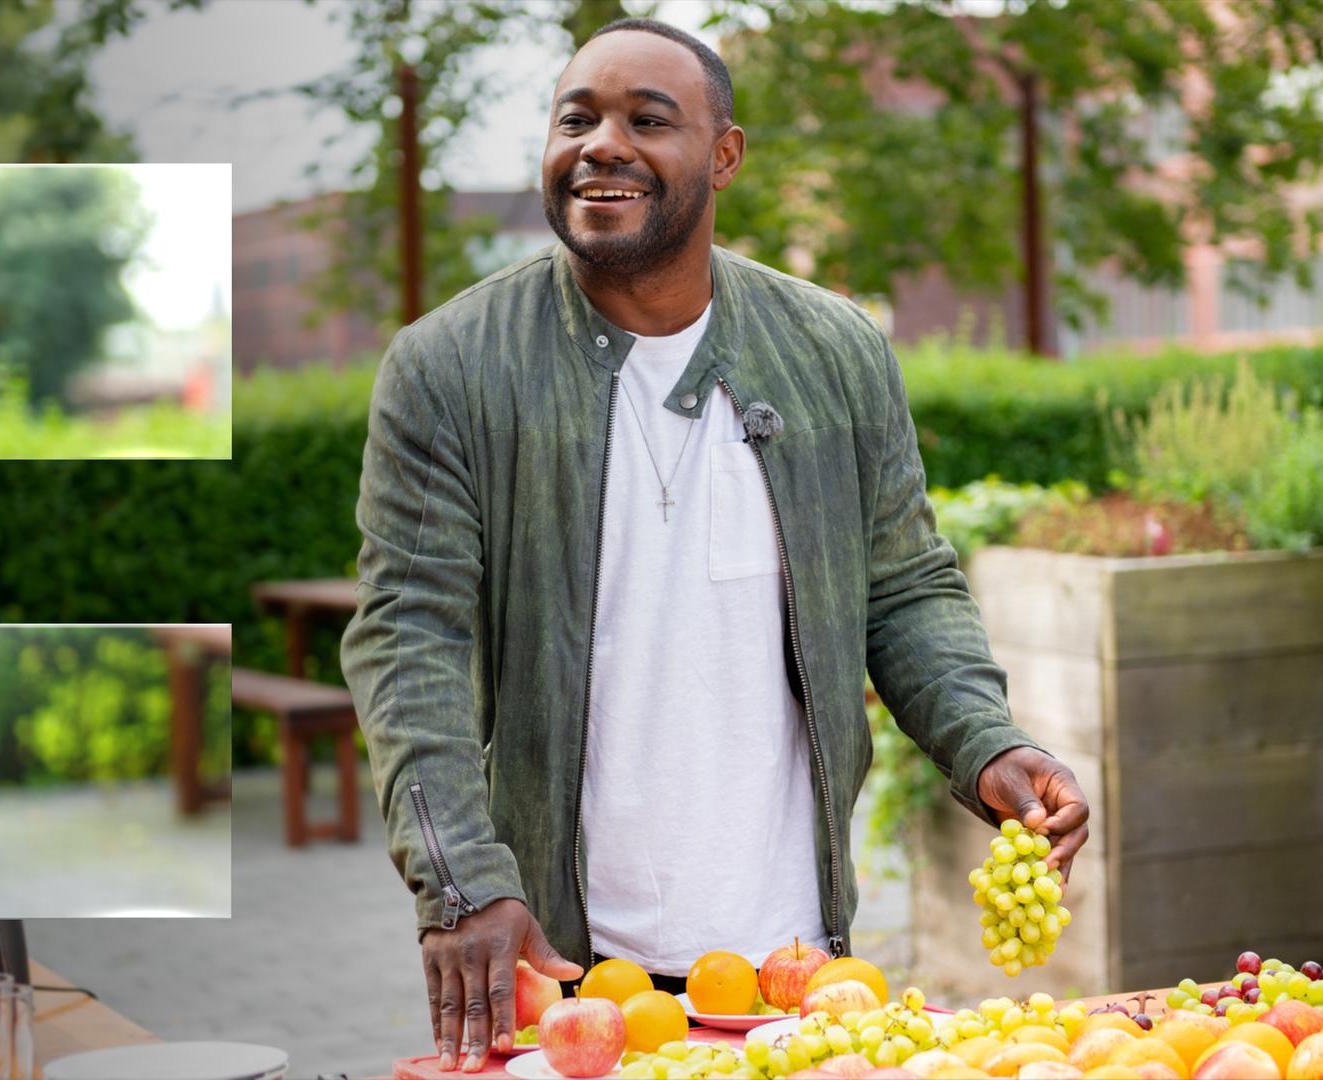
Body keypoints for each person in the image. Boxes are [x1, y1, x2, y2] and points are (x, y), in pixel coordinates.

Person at [341, 18, 1089, 1074]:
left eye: (648, 119)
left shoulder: (836, 351)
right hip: (563, 966)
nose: (603, 144)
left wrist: (989, 743)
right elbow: (407, 640)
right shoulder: (450, 371)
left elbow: (907, 589)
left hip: (798, 968)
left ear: (725, 155)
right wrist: (462, 880)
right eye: (576, 118)